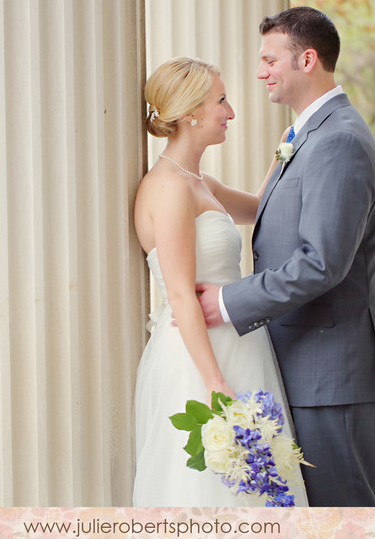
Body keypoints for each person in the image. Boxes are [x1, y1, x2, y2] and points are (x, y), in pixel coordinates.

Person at [196, 7, 375, 507]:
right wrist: (197, 187)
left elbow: (321, 262)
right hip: (310, 364)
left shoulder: (339, 141)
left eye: (270, 60)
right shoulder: (306, 134)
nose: (261, 71)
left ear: (307, 60)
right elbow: (277, 216)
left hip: (333, 374)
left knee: (343, 515)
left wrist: (227, 302)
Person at [132, 57, 308, 507]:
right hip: (202, 357)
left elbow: (259, 208)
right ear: (190, 112)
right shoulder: (169, 188)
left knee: (259, 487)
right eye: (222, 101)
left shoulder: (198, 180)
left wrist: (284, 155)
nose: (230, 112)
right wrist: (214, 382)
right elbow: (179, 294)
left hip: (240, 342)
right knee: (213, 490)